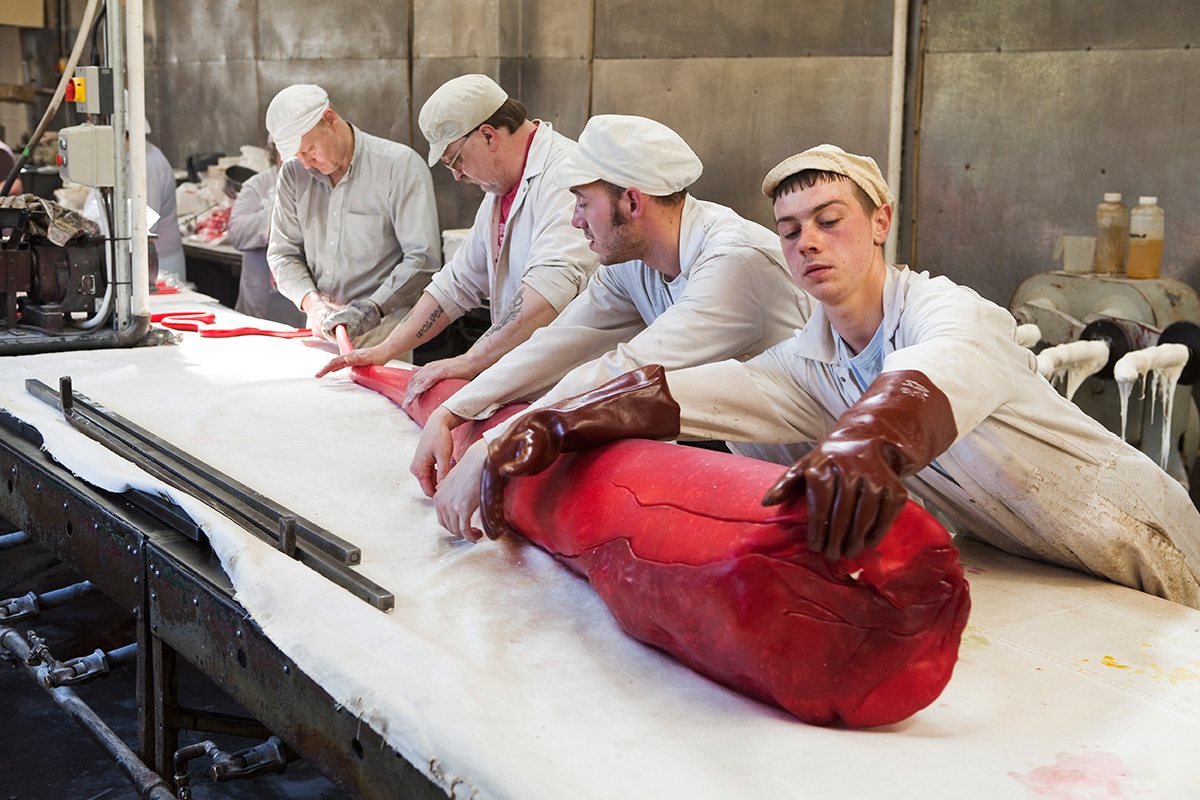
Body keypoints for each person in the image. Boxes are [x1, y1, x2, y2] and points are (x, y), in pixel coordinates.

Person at [478, 144, 1200, 610]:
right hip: (1044, 568)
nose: (808, 242)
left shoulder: (952, 313)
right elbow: (700, 393)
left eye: (830, 220)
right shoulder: (810, 363)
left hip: (1146, 547)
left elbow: (928, 375)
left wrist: (870, 441)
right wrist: (553, 423)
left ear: (881, 221)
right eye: (790, 231)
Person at [415, 114, 814, 531]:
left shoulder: (735, 264)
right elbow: (560, 343)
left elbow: (628, 373)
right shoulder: (635, 261)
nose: (575, 219)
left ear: (632, 203)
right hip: (773, 479)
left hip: (836, 489)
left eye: (583, 202)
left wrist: (493, 449)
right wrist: (452, 409)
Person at [315, 74, 597, 391]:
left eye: (456, 160)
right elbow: (455, 285)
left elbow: (548, 293)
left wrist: (470, 361)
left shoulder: (563, 175)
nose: (458, 175)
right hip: (529, 378)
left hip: (571, 384)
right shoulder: (500, 190)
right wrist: (384, 350)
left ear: (488, 136)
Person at [266, 84, 440, 346]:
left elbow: (423, 259)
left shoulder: (398, 166)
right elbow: (283, 253)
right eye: (297, 154)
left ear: (330, 119)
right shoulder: (293, 174)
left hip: (382, 330)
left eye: (309, 149)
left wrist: (370, 309)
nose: (304, 162)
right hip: (320, 325)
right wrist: (312, 304)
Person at [228, 142, 305, 326]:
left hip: (300, 302)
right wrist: (280, 214)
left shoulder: (317, 183)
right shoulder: (258, 185)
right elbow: (237, 232)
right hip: (258, 300)